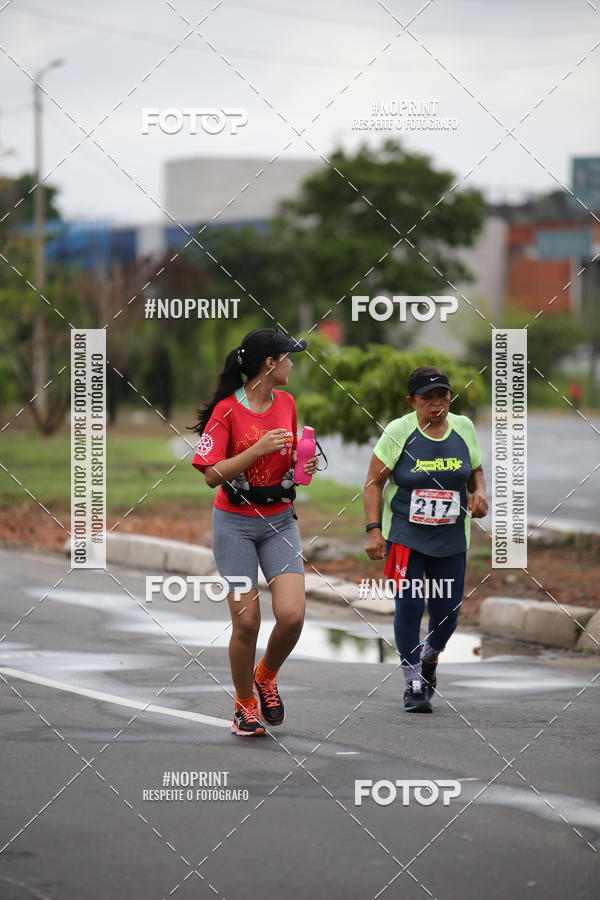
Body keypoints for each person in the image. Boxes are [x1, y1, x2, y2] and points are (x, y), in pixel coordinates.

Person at [190, 328, 318, 736]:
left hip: (279, 520)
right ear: (270, 364)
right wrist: (256, 450)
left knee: (293, 616)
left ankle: (266, 675)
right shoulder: (227, 410)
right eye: (288, 357)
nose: (292, 364)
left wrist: (304, 467)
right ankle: (244, 703)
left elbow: (292, 459)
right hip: (236, 526)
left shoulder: (288, 403)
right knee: (246, 623)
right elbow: (210, 474)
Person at [363, 366, 488, 713]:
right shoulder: (399, 431)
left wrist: (479, 493)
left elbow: (475, 469)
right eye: (427, 398)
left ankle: (429, 656)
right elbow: (374, 482)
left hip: (450, 536)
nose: (436, 404)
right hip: (405, 533)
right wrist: (375, 530)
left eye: (442, 396)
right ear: (412, 401)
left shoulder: (463, 427)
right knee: (411, 604)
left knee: (448, 614)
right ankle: (413, 680)